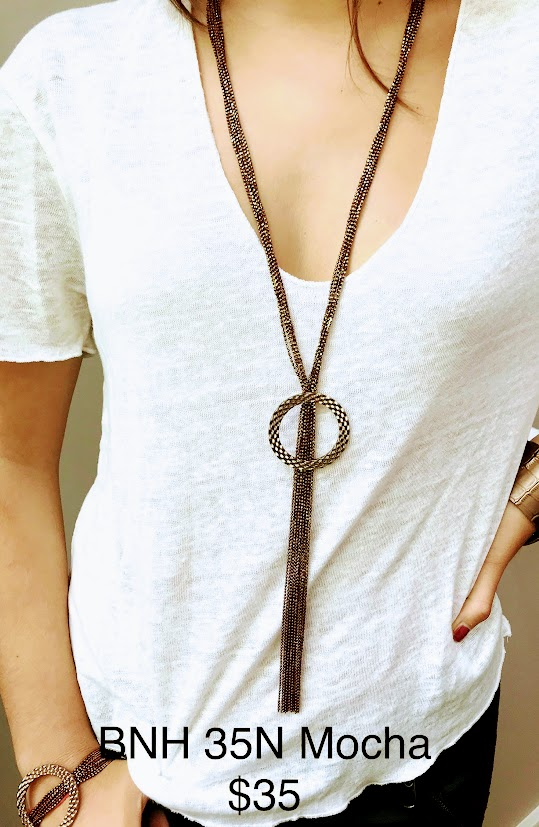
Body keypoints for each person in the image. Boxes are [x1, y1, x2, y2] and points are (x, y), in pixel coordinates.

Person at [0, 0, 537, 825]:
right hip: (138, 774)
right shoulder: (72, 75)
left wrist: (527, 495)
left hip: (422, 764)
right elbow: (11, 459)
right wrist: (57, 777)